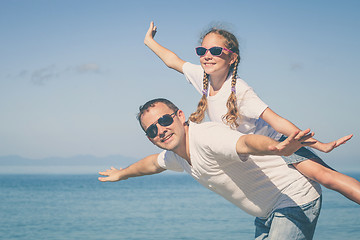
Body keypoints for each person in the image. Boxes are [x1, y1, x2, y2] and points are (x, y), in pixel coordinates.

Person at [143, 21, 360, 204]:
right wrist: (149, 42)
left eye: (216, 51)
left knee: (327, 178)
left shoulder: (240, 92)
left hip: (280, 143)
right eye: (202, 51)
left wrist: (318, 144)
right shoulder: (201, 76)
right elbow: (173, 61)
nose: (207, 56)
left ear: (232, 58)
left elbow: (276, 121)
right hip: (267, 155)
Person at [99, 98, 322, 240]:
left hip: (293, 199)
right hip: (265, 214)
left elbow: (245, 143)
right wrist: (122, 174)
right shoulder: (177, 155)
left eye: (165, 120)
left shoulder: (207, 137)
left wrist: (276, 148)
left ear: (180, 116)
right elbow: (151, 164)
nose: (161, 130)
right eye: (152, 130)